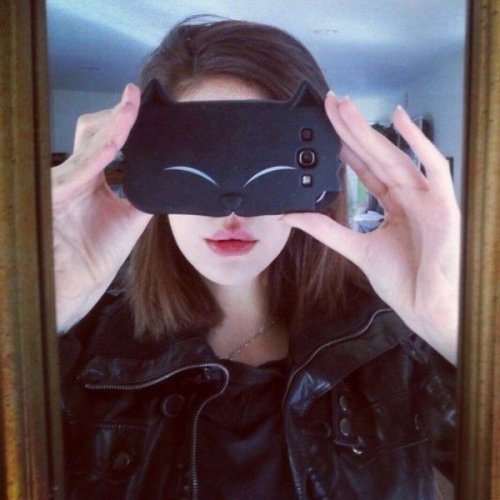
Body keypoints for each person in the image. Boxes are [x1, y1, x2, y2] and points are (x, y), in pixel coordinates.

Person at [54, 16, 459, 500]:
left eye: (263, 160)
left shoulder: (397, 348)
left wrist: (453, 328)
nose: (232, 208)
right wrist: (37, 315)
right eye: (199, 162)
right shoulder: (79, 351)